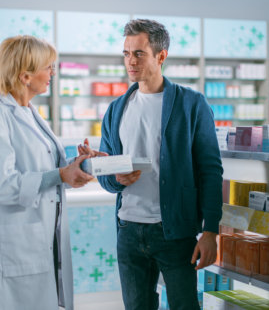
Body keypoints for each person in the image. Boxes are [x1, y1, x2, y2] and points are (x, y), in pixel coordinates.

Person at [88, 19, 224, 310]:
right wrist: (114, 177)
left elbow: (210, 171)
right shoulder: (116, 109)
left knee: (184, 306)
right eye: (126, 53)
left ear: (161, 56)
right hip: (128, 229)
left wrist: (210, 230)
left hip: (174, 233)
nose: (130, 61)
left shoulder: (192, 104)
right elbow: (108, 177)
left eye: (138, 53)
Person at [0, 35, 98, 310]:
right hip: (13, 241)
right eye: (48, 66)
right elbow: (0, 185)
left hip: (38, 235)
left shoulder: (28, 112)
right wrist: (61, 176)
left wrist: (78, 164)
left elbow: (43, 168)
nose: (53, 72)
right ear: (25, 76)